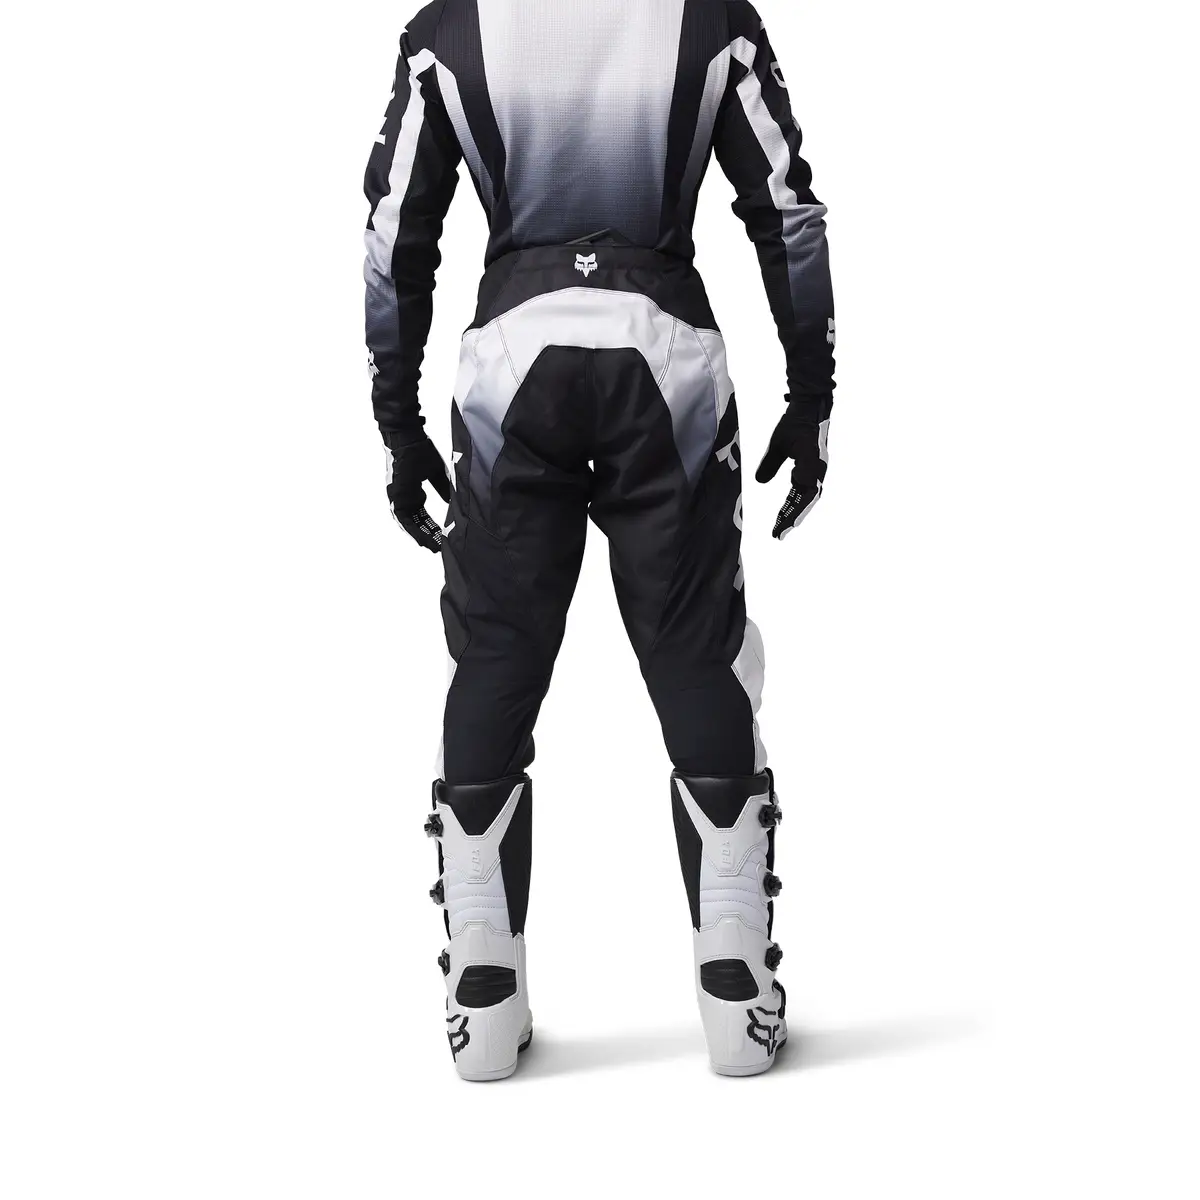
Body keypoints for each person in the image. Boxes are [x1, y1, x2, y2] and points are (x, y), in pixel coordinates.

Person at [364, 0, 835, 1080]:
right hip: (663, 352)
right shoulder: (712, 17)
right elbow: (787, 208)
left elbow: (395, 234)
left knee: (495, 658)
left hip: (510, 359)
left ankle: (484, 1000)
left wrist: (397, 421)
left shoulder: (448, 30)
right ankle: (736, 992)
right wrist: (812, 394)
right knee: (696, 655)